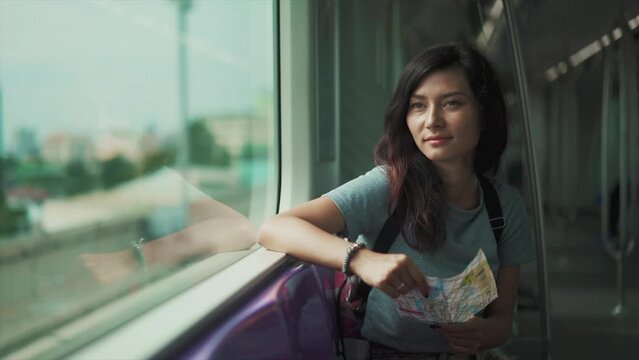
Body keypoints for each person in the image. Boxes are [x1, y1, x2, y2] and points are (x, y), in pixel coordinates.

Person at [257, 42, 534, 359]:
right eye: (418, 106)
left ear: (484, 115)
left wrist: (483, 334)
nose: (432, 121)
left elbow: (502, 321)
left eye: (452, 103)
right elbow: (275, 228)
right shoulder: (389, 185)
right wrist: (362, 260)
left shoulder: (505, 207)